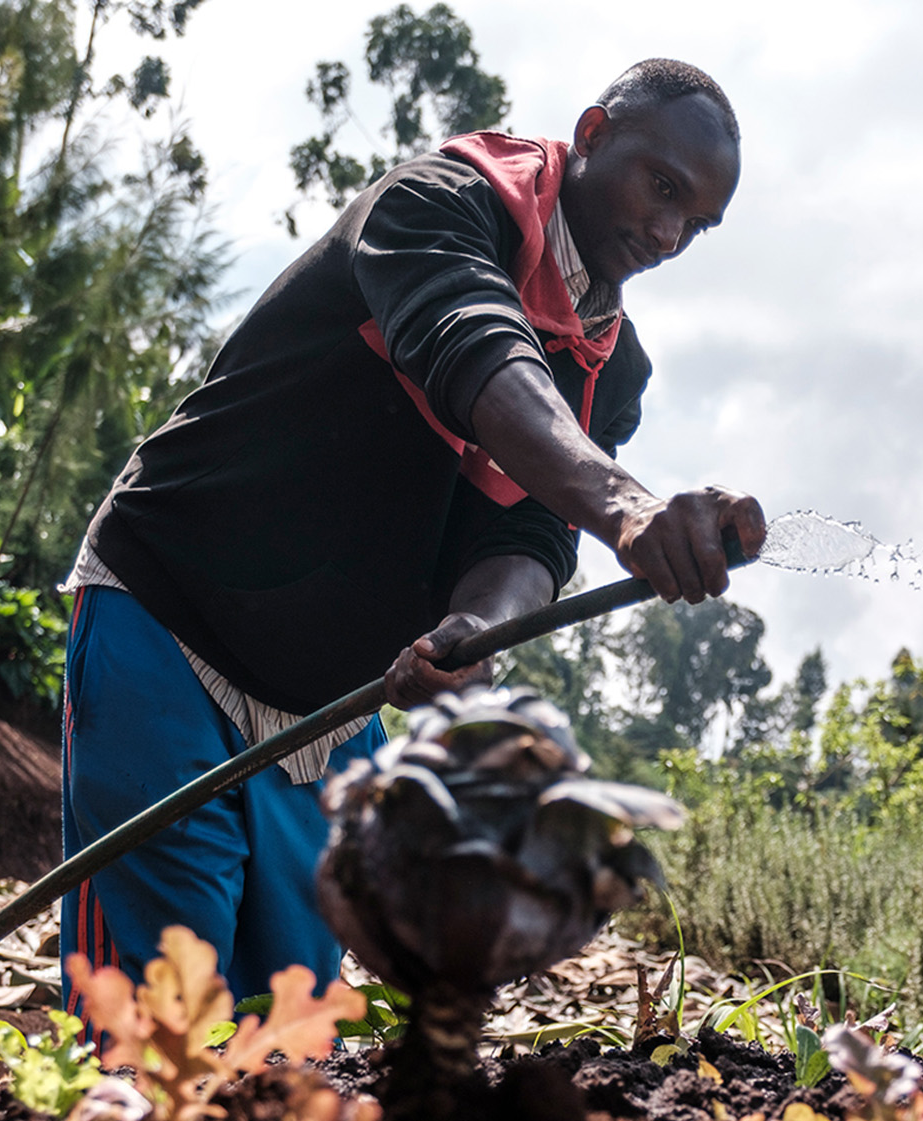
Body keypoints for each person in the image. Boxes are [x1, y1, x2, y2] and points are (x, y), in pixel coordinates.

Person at [56, 58, 765, 1010]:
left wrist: (479, 625)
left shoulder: (612, 367)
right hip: (174, 620)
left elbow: (527, 533)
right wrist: (629, 509)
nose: (669, 232)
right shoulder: (440, 204)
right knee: (156, 1025)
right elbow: (473, 347)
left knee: (291, 1028)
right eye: (662, 187)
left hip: (333, 708)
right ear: (592, 135)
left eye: (698, 223)